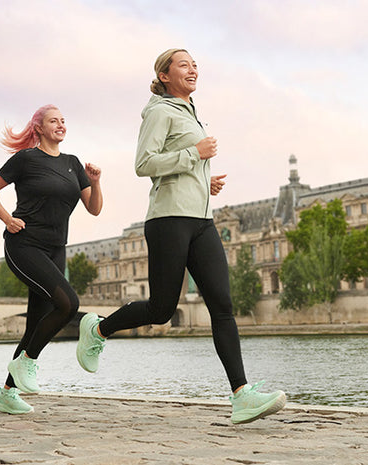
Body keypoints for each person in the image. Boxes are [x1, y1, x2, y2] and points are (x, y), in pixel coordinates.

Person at [76, 49, 287, 424]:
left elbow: (180, 166)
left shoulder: (191, 112)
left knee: (222, 304)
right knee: (161, 309)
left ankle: (241, 395)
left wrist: (206, 181)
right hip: (168, 219)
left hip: (202, 219)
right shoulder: (159, 111)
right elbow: (144, 163)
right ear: (164, 74)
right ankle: (98, 328)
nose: (193, 69)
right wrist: (195, 153)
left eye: (196, 65)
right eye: (184, 64)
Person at [0, 105, 102, 414]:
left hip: (56, 248)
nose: (60, 124)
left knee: (35, 323)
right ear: (39, 128)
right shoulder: (25, 160)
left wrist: (95, 181)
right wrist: (8, 219)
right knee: (68, 304)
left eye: (63, 120)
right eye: (53, 121)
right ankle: (27, 362)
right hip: (25, 245)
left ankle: (8, 393)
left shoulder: (73, 164)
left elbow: (94, 209)